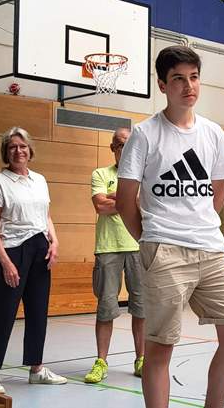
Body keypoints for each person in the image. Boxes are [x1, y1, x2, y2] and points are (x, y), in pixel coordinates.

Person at [116, 46, 224, 408]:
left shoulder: (214, 134)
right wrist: (151, 240)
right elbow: (125, 200)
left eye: (194, 77)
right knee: (160, 348)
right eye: (178, 78)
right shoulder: (145, 134)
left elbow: (218, 193)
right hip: (164, 250)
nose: (188, 86)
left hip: (211, 249)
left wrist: (200, 225)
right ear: (162, 85)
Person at [0, 127, 67, 394]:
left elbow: (46, 216)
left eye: (22, 146)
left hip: (40, 249)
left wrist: (54, 242)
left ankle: (36, 369)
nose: (18, 151)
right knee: (2, 313)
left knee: (38, 311)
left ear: (30, 150)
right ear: (6, 152)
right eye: (12, 147)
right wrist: (5, 262)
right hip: (12, 250)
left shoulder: (40, 180)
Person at [85, 127, 145, 384]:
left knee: (141, 308)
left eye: (130, 144)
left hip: (139, 246)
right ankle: (101, 362)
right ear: (113, 148)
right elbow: (100, 206)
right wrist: (131, 200)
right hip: (108, 248)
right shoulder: (101, 173)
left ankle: (141, 359)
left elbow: (148, 205)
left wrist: (117, 199)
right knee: (106, 308)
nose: (125, 148)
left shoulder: (144, 175)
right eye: (120, 144)